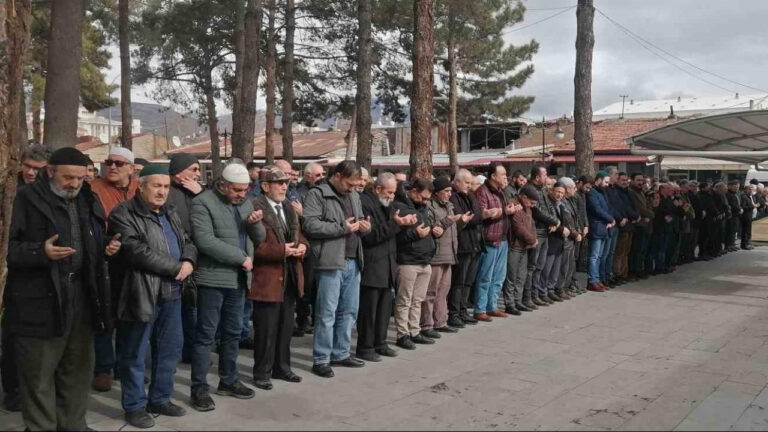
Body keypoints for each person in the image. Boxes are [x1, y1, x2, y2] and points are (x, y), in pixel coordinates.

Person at [7, 147, 120, 431]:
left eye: (80, 178)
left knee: (78, 369)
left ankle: (73, 425)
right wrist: (40, 252)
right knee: (39, 374)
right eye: (68, 177)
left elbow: (91, 238)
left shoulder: (86, 199)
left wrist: (105, 247)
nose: (74, 184)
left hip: (82, 295)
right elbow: (8, 248)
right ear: (50, 172)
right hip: (39, 300)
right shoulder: (24, 199)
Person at [109, 165, 197, 428]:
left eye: (166, 186)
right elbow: (135, 250)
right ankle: (134, 406)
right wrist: (176, 267)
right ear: (141, 185)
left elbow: (187, 240)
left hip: (172, 293)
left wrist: (189, 260)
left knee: (169, 350)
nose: (162, 191)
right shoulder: (124, 213)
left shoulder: (170, 212)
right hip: (140, 292)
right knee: (134, 353)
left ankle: (159, 398)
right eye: (156, 186)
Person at [189, 163, 266, 411]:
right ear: (221, 185)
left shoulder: (246, 203)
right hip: (213, 279)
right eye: (236, 189)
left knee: (233, 333)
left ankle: (228, 380)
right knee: (206, 336)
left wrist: (254, 223)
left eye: (245, 190)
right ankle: (199, 388)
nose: (242, 194)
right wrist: (240, 257)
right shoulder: (203, 203)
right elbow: (205, 241)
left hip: (238, 280)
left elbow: (260, 238)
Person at [302, 160, 371, 378]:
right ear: (339, 176)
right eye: (350, 184)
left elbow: (359, 222)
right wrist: (342, 227)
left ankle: (341, 352)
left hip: (353, 259)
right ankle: (321, 358)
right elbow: (310, 225)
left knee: (349, 310)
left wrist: (364, 227)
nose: (352, 189)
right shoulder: (318, 194)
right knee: (326, 312)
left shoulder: (354, 196)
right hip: (330, 260)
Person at [249, 166, 309, 390]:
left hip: (291, 275)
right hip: (267, 278)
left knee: (285, 326)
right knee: (266, 329)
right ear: (265, 187)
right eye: (279, 183)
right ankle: (262, 372)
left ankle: (282, 367)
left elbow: (299, 234)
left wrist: (303, 245)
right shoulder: (255, 208)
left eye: (286, 182)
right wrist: (281, 251)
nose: (285, 186)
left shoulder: (288, 207)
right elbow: (255, 246)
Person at [1, 144, 51, 412]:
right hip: (12, 269)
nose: (31, 172)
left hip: (37, 270)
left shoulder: (47, 194)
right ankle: (13, 389)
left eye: (37, 168)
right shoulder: (10, 190)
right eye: (28, 166)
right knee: (11, 335)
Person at [90, 146, 138, 392]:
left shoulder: (140, 188)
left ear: (131, 168)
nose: (112, 166)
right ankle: (103, 368)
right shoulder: (93, 189)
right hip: (105, 260)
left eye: (119, 163)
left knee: (130, 317)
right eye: (109, 162)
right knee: (104, 318)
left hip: (136, 261)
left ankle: (125, 366)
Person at [357, 172, 416, 361]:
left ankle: (380, 343)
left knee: (383, 309)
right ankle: (365, 347)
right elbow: (371, 235)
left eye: (393, 193)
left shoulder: (388, 205)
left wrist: (404, 224)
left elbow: (391, 231)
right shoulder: (365, 203)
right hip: (373, 265)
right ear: (377, 189)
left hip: (388, 264)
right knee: (369, 311)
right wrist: (395, 224)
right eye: (388, 192)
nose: (391, 197)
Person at [391, 178, 437, 349]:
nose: (425, 201)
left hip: (425, 259)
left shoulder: (423, 208)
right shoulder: (399, 206)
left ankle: (415, 330)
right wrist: (414, 234)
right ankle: (402, 334)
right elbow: (395, 237)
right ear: (414, 191)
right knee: (404, 299)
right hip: (407, 260)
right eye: (423, 197)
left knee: (418, 299)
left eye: (428, 199)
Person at [167, 154, 204, 364]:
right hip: (177, 258)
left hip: (195, 256)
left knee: (192, 310)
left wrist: (200, 194)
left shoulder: (195, 192)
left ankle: (190, 350)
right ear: (179, 171)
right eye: (193, 169)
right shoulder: (169, 193)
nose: (197, 174)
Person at [422, 177, 467, 336]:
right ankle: (426, 324)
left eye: (450, 191)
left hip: (449, 254)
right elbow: (434, 229)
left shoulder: (449, 206)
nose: (449, 194)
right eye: (446, 191)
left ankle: (441, 321)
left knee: (443, 291)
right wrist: (448, 221)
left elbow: (452, 229)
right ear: (437, 192)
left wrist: (461, 222)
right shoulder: (430, 206)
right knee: (430, 292)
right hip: (436, 255)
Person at [473, 162, 517, 320]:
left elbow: (502, 212)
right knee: (485, 276)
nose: (506, 177)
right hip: (489, 240)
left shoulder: (501, 192)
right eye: (503, 174)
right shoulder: (482, 192)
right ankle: (480, 309)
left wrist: (509, 211)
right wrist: (501, 212)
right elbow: (482, 213)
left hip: (503, 238)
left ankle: (492, 306)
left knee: (499, 277)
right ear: (493, 176)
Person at [294, 161, 326, 336]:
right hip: (306, 245)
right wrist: (304, 214)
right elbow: (298, 220)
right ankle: (302, 320)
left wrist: (304, 212)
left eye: (323, 174)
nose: (322, 178)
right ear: (307, 176)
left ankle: (315, 318)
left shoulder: (323, 192)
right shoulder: (298, 193)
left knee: (317, 286)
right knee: (305, 286)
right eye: (318, 175)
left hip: (321, 245)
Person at [448, 169, 483, 327]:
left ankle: (463, 310)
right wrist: (470, 219)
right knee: (459, 281)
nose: (470, 186)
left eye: (471, 183)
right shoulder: (454, 197)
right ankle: (454, 313)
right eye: (467, 182)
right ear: (457, 182)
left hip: (474, 244)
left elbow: (477, 216)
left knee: (468, 280)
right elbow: (463, 217)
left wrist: (471, 218)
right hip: (463, 245)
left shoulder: (470, 196)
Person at [527, 163, 560, 306]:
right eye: (544, 174)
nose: (546, 176)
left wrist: (554, 222)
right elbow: (538, 211)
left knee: (540, 265)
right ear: (536, 177)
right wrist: (553, 221)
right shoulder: (530, 189)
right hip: (536, 231)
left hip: (545, 231)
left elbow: (550, 208)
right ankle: (528, 296)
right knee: (532, 266)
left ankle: (537, 294)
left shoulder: (542, 190)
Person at [503, 184, 538, 313]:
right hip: (514, 246)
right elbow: (518, 228)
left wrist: (534, 239)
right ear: (523, 197)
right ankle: (510, 303)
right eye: (531, 202)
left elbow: (532, 224)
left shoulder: (527, 208)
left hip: (524, 246)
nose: (532, 205)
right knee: (511, 276)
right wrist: (532, 239)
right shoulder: (514, 204)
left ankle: (518, 301)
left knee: (521, 276)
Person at [541, 182, 574, 302]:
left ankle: (551, 289)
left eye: (562, 193)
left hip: (560, 241)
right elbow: (550, 220)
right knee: (547, 268)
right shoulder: (548, 204)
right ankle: (543, 291)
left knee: (555, 268)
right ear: (552, 191)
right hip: (551, 240)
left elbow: (566, 221)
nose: (559, 194)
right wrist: (561, 229)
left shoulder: (562, 205)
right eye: (557, 191)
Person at [585, 171, 615, 292]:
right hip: (597, 227)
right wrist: (610, 219)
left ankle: (597, 279)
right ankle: (592, 280)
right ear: (599, 180)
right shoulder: (592, 193)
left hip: (603, 227)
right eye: (606, 182)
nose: (607, 184)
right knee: (594, 256)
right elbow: (597, 209)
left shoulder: (603, 193)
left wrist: (610, 219)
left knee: (599, 256)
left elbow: (607, 208)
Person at [557, 177, 583, 298]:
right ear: (567, 189)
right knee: (565, 265)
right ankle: (561, 288)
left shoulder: (571, 200)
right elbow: (567, 221)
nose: (575, 190)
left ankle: (566, 287)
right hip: (567, 238)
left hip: (572, 237)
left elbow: (575, 218)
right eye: (573, 188)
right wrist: (575, 233)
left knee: (570, 264)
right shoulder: (562, 202)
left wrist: (579, 230)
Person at [612, 173, 639, 284]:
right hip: (623, 225)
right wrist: (634, 215)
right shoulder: (616, 192)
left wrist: (637, 215)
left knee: (626, 252)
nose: (625, 182)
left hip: (630, 225)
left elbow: (634, 205)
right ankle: (618, 274)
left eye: (626, 180)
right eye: (622, 180)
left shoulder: (628, 192)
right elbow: (622, 207)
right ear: (617, 180)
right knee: (620, 252)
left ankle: (624, 273)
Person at [629, 173, 654, 279]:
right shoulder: (631, 192)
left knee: (642, 249)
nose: (640, 182)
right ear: (632, 180)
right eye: (638, 180)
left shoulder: (641, 192)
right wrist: (650, 214)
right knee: (636, 250)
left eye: (641, 180)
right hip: (638, 224)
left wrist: (649, 213)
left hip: (644, 224)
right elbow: (638, 207)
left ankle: (639, 269)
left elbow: (647, 206)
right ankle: (634, 270)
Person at [725, 180, 743, 252]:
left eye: (738, 187)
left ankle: (732, 244)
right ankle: (728, 245)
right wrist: (739, 209)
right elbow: (731, 204)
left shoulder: (736, 194)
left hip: (736, 215)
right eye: (735, 187)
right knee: (730, 231)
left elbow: (738, 203)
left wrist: (740, 208)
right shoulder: (728, 194)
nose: (737, 188)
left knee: (734, 231)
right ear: (730, 186)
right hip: (731, 215)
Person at [740, 184, 756, 250]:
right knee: (745, 231)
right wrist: (753, 206)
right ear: (746, 190)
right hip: (746, 217)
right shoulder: (744, 197)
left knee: (748, 231)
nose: (751, 190)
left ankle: (748, 243)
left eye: (752, 189)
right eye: (749, 189)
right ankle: (744, 245)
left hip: (751, 216)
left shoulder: (751, 197)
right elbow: (744, 207)